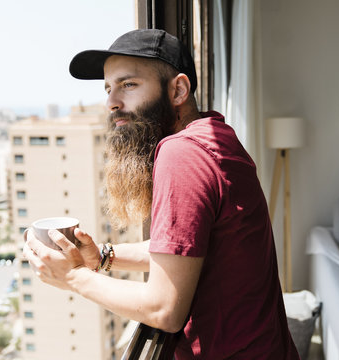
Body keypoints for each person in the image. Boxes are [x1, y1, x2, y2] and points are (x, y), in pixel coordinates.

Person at [23, 29, 299, 359]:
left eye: (129, 85)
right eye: (109, 89)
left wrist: (73, 277)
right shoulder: (216, 135)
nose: (112, 102)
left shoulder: (181, 154)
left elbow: (163, 310)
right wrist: (104, 255)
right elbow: (184, 248)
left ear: (178, 90)